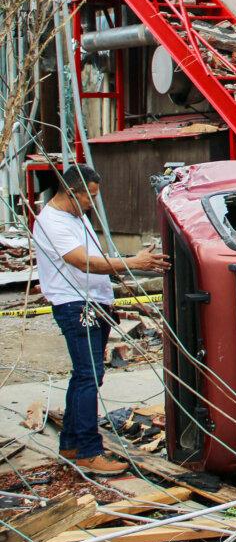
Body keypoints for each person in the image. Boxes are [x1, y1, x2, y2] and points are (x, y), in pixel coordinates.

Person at [32, 164, 169, 475]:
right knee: (88, 377)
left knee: (85, 376)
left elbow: (92, 261)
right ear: (70, 192)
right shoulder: (53, 222)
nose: (92, 204)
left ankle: (70, 444)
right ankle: (87, 451)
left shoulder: (74, 218)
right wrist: (133, 262)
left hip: (92, 303)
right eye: (89, 198)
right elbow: (82, 262)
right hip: (76, 307)